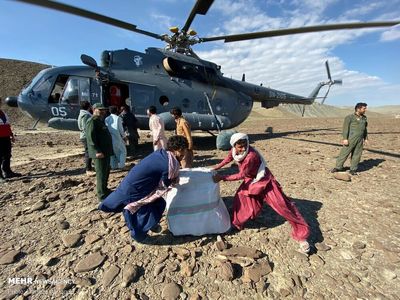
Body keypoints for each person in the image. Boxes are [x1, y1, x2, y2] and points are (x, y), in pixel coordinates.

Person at [212, 133, 310, 253]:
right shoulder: (234, 151)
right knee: (241, 199)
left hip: (263, 180)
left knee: (283, 206)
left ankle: (302, 235)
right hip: (252, 181)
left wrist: (222, 177)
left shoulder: (250, 156)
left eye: (245, 145)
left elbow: (242, 175)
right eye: (239, 146)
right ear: (234, 146)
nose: (243, 148)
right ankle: (237, 223)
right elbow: (228, 159)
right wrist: (216, 167)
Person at [98, 135, 189, 242]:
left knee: (159, 203)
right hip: (136, 190)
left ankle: (151, 224)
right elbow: (165, 183)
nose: (184, 154)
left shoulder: (163, 154)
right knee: (139, 210)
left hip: (137, 185)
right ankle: (140, 236)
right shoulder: (169, 164)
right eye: (183, 151)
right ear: (176, 150)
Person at [331, 102, 368, 175]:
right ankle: (338, 167)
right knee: (344, 153)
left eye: (365, 108)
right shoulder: (350, 117)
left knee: (357, 154)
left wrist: (366, 138)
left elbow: (365, 129)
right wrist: (345, 138)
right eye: (364, 108)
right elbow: (345, 128)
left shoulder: (364, 118)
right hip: (351, 138)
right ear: (358, 109)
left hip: (360, 140)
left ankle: (353, 169)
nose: (365, 110)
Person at [86, 103, 114, 201]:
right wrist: (97, 151)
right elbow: (90, 138)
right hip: (100, 153)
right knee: (101, 173)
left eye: (104, 110)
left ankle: (105, 190)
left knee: (106, 172)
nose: (103, 111)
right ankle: (101, 195)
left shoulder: (100, 121)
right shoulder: (92, 121)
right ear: (94, 110)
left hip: (105, 152)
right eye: (100, 110)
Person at [0, 97, 21, 182]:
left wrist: (11, 135)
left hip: (6, 137)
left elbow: (7, 125)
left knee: (7, 155)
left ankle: (7, 172)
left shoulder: (3, 113)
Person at [105, 106, 127, 170]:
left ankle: (113, 166)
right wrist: (124, 137)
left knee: (112, 153)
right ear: (117, 110)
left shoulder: (106, 119)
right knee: (123, 151)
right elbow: (121, 129)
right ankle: (122, 165)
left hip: (109, 138)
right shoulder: (118, 118)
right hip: (117, 137)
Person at [77, 100, 95, 176]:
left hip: (84, 136)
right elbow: (86, 127)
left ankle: (89, 167)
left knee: (89, 152)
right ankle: (88, 169)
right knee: (88, 152)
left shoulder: (82, 114)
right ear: (88, 107)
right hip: (86, 136)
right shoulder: (86, 115)